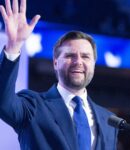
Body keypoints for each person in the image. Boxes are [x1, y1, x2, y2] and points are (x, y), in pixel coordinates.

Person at [0, 0, 118, 150]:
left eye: (85, 56)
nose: (78, 62)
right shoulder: (33, 106)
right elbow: (2, 100)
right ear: (55, 62)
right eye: (70, 56)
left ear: (94, 64)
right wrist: (13, 46)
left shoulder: (108, 120)